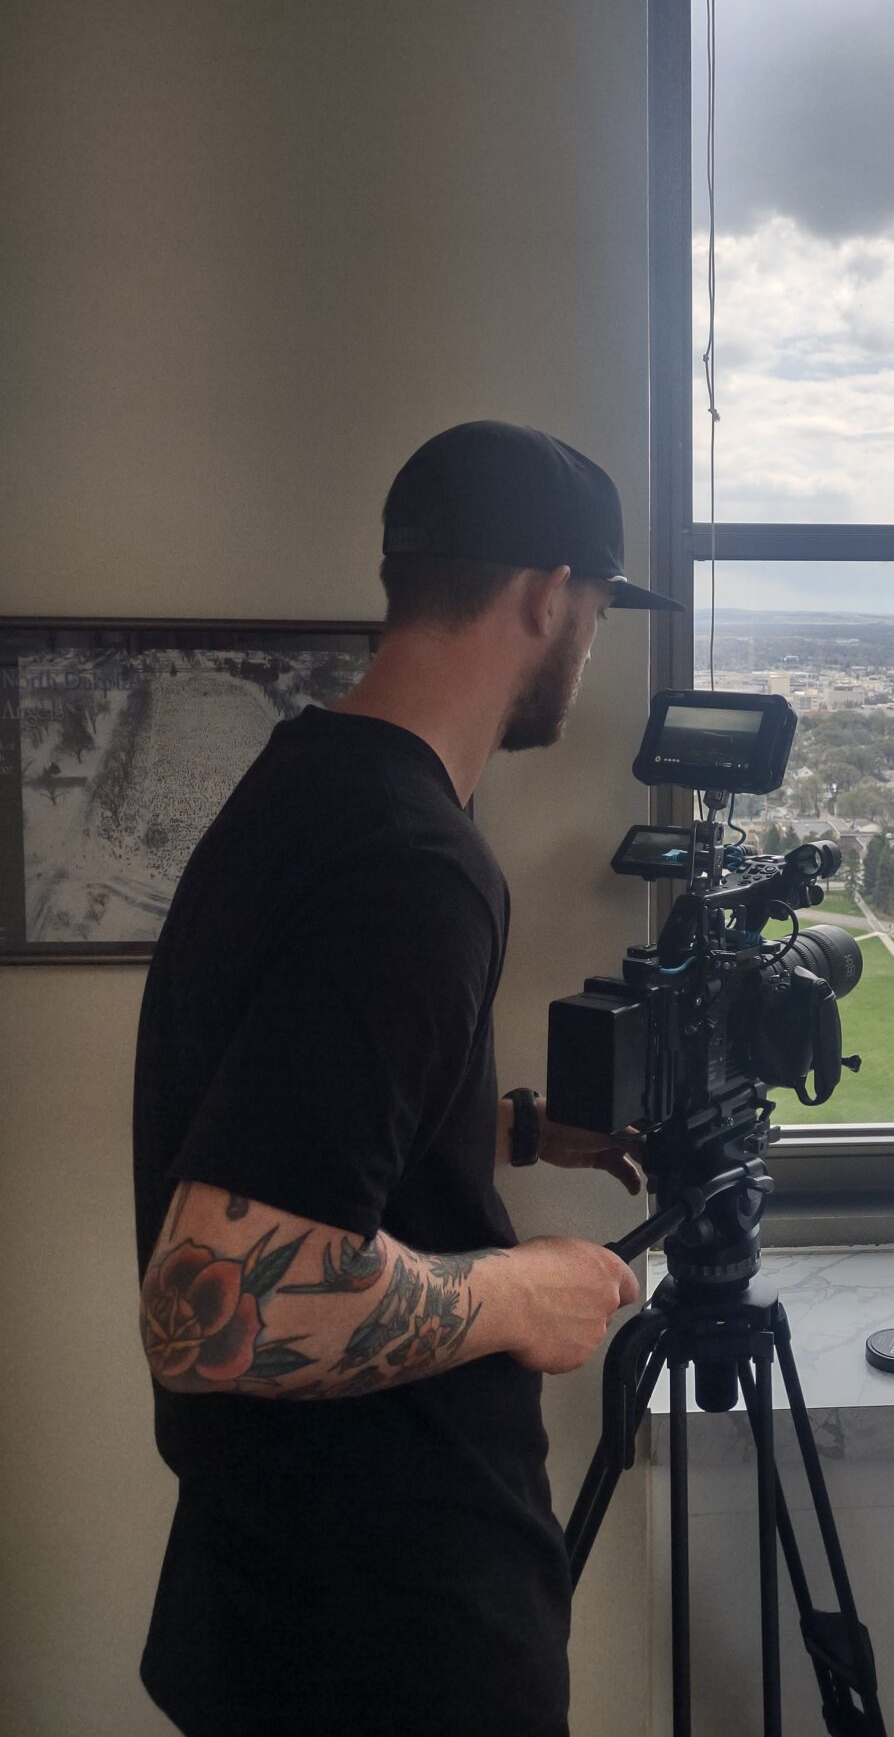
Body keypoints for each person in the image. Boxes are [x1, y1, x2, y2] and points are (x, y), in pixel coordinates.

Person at [132, 421, 683, 1737]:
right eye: (597, 612)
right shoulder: (413, 866)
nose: (589, 644)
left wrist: (504, 1128)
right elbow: (213, 1307)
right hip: (387, 1631)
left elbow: (287, 1108)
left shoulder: (310, 783)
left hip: (271, 1591)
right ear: (548, 593)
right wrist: (520, 1291)